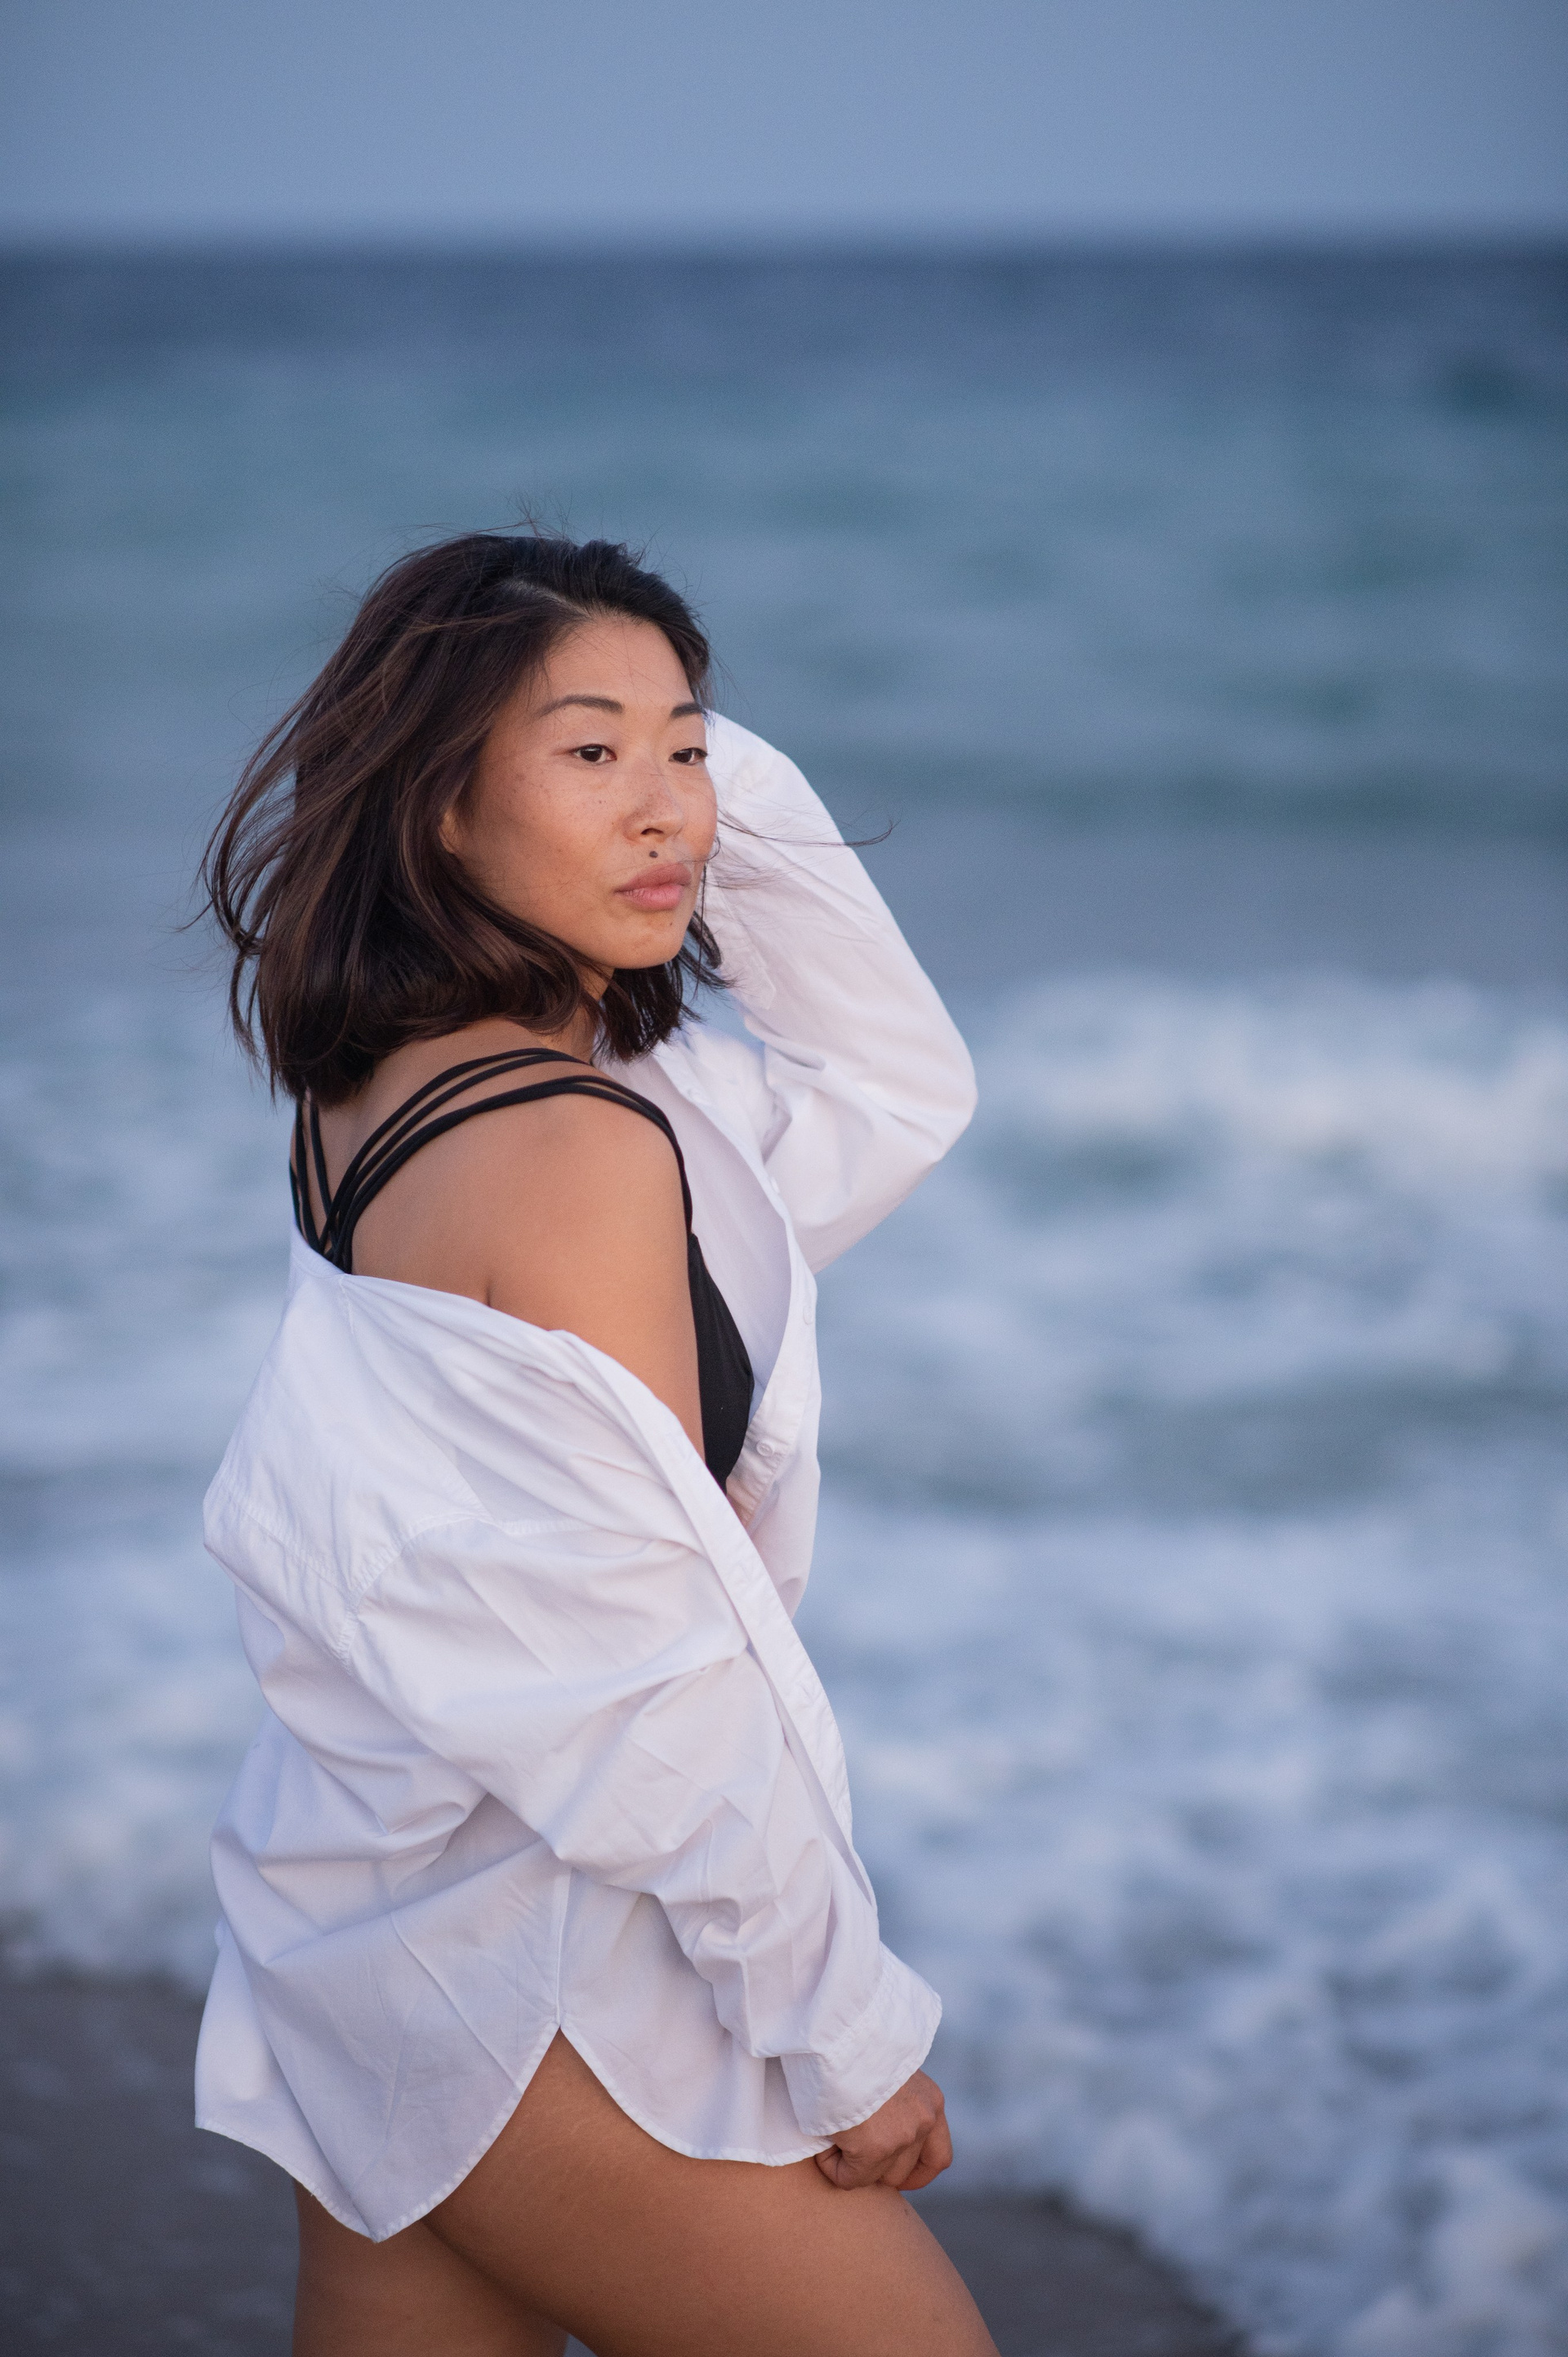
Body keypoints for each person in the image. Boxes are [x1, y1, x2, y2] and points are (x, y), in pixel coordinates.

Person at [194, 531, 989, 2355]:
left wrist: (657, 753)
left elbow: (893, 1086)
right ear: (438, 802)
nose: (667, 810)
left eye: (688, 750)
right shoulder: (572, 1150)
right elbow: (655, 1676)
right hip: (534, 1966)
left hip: (370, 1899)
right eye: (589, 752)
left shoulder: (392, 1087)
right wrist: (845, 2034)